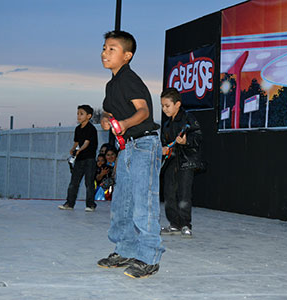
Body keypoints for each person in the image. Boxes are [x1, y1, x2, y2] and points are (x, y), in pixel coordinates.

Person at [96, 30, 164, 279]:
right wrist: (106, 120)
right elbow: (106, 112)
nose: (104, 53)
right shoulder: (112, 84)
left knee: (143, 205)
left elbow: (144, 111)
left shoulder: (129, 79)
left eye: (111, 49)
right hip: (127, 148)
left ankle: (149, 258)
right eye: (104, 48)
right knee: (121, 203)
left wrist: (123, 123)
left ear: (127, 55)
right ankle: (125, 250)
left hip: (145, 145)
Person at [159, 88, 203, 238]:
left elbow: (198, 137)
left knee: (184, 194)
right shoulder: (165, 125)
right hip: (171, 162)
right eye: (162, 106)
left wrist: (186, 141)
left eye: (167, 105)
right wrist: (164, 149)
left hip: (186, 161)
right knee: (169, 193)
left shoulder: (188, 118)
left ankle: (185, 224)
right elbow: (165, 143)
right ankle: (174, 224)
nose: (164, 109)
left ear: (177, 104)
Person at [58, 104, 98, 212]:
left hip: (89, 159)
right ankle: (69, 203)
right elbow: (77, 141)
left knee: (89, 183)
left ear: (89, 116)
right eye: (78, 114)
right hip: (79, 160)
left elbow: (86, 142)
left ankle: (90, 205)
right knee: (73, 183)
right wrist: (73, 148)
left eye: (81, 114)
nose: (78, 116)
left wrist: (80, 150)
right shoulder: (77, 129)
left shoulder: (91, 129)